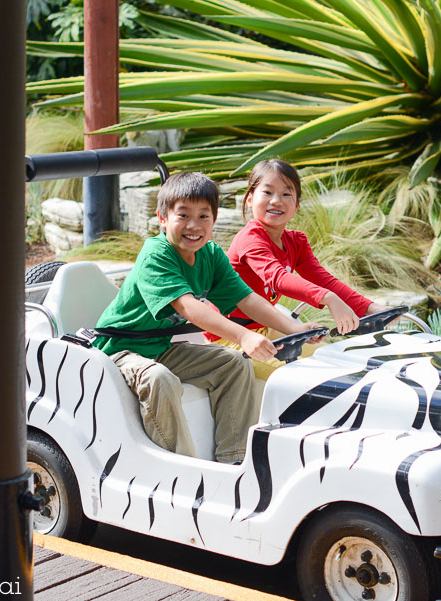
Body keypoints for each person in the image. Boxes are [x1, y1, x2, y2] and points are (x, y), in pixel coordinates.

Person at [93, 171, 323, 464]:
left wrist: (294, 328)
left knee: (235, 365)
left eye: (204, 216)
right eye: (183, 215)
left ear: (214, 220)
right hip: (120, 351)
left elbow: (248, 299)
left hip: (160, 349)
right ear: (162, 217)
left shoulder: (210, 254)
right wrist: (242, 335)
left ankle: (234, 460)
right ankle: (180, 469)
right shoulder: (157, 253)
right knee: (159, 378)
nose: (194, 225)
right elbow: (189, 306)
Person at [205, 159, 390, 379]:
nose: (276, 201)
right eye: (268, 192)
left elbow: (323, 279)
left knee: (338, 361)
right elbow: (278, 278)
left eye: (286, 194)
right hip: (231, 337)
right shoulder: (250, 239)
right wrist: (328, 299)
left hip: (265, 331)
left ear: (297, 204)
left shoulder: (296, 242)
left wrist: (369, 308)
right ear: (250, 199)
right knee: (308, 378)